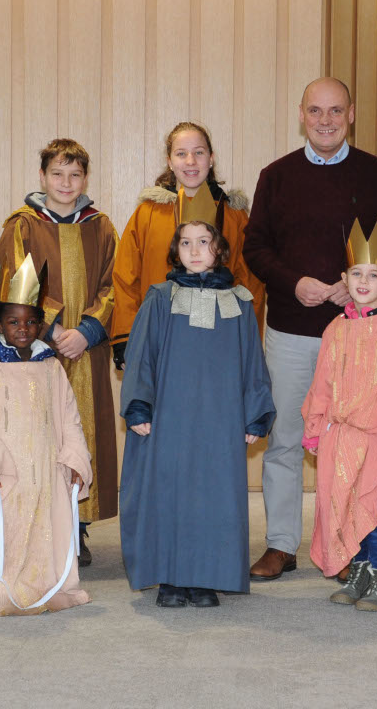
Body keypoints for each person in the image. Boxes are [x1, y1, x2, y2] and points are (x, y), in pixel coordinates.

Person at [242, 77, 377, 580]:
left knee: (355, 445)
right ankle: (281, 544)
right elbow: (255, 248)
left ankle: (350, 544)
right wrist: (293, 283)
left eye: (335, 111)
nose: (325, 120)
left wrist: (357, 281)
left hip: (362, 336)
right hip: (293, 330)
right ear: (301, 115)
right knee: (288, 440)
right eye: (315, 111)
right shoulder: (275, 176)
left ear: (351, 114)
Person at [119, 209, 275, 608]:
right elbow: (142, 357)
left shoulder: (240, 303)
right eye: (185, 243)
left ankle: (206, 577)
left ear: (219, 250)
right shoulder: (159, 298)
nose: (194, 250)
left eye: (203, 242)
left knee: (213, 496)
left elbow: (251, 362)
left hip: (219, 423)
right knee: (169, 493)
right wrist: (139, 405)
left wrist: (256, 412)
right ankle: (171, 577)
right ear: (176, 252)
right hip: (170, 419)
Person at [0, 138, 118, 565]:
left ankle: (78, 527)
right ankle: (40, 522)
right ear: (43, 176)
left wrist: (87, 330)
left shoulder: (101, 226)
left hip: (88, 350)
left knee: (82, 431)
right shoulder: (22, 226)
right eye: (57, 174)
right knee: (40, 431)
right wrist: (52, 328)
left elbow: (114, 284)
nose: (66, 183)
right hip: (39, 352)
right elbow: (15, 283)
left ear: (85, 178)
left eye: (75, 174)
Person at [0, 254, 94, 616]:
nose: (23, 329)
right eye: (13, 321)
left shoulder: (51, 366)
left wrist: (74, 459)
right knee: (2, 531)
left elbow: (69, 417)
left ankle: (48, 583)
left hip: (46, 469)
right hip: (6, 470)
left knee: (46, 526)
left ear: (40, 325)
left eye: (31, 322)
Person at [300, 219, 377, 611]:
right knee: (343, 505)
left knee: (375, 509)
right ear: (344, 277)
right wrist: (316, 425)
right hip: (341, 435)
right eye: (357, 273)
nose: (364, 281)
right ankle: (360, 571)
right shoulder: (335, 327)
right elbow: (322, 381)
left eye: (374, 275)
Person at [111, 121, 264, 368]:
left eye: (199, 152)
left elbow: (250, 285)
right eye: (181, 154)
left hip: (220, 343)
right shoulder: (147, 214)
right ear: (170, 161)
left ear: (211, 158)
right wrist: (127, 337)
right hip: (159, 341)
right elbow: (126, 278)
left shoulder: (234, 217)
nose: (190, 161)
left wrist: (246, 342)